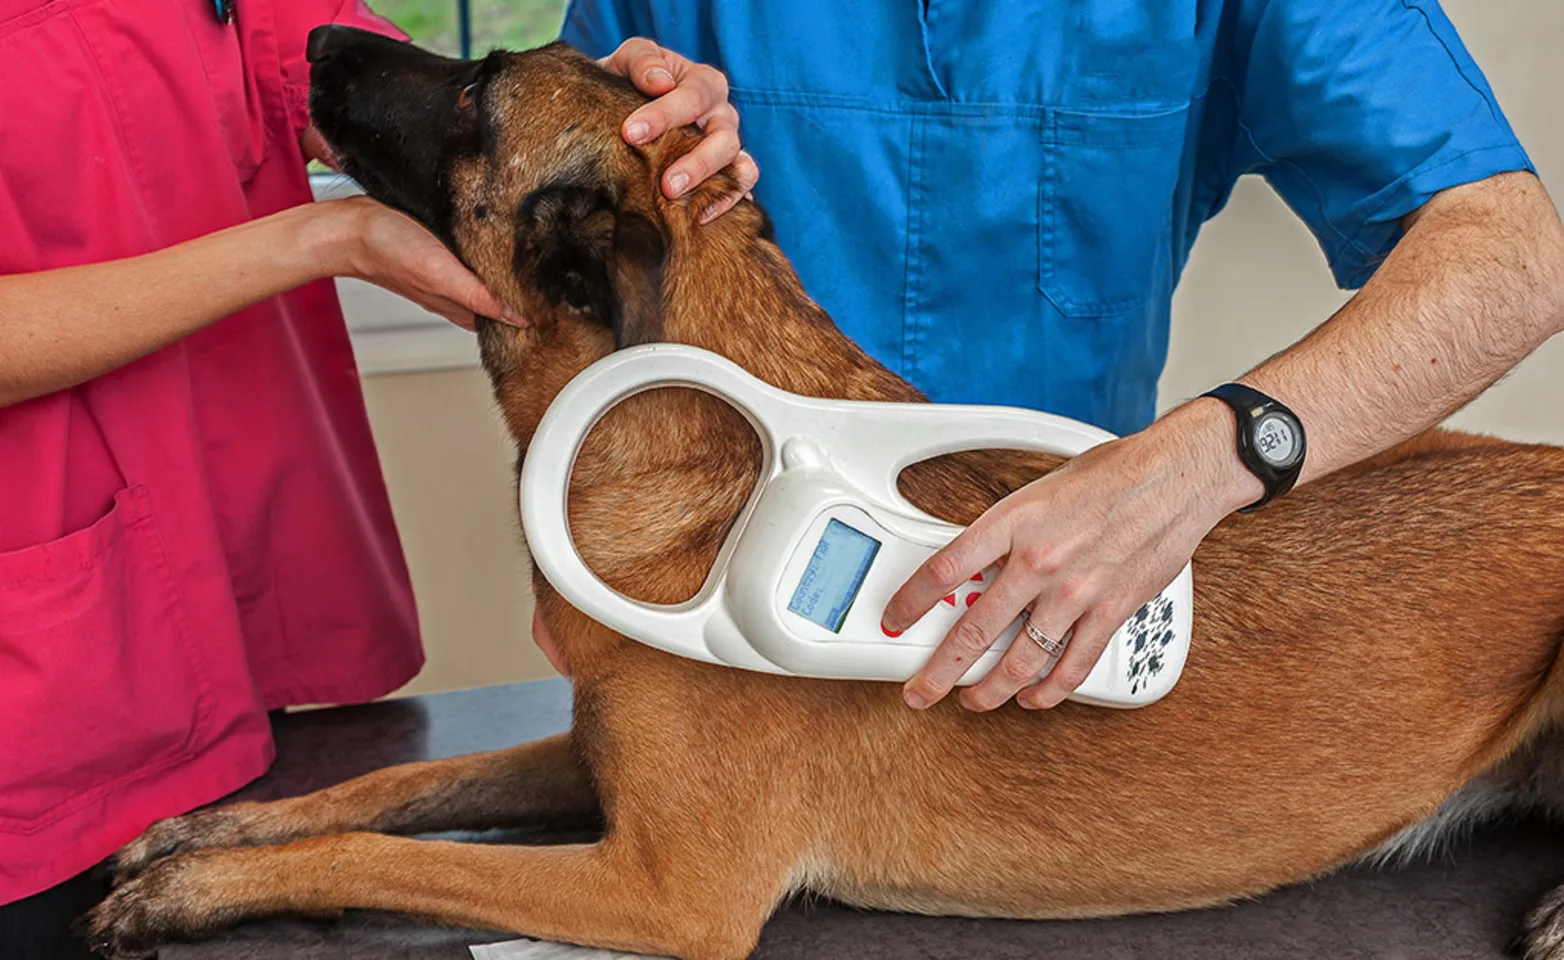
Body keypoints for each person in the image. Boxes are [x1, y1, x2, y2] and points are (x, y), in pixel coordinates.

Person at [556, 4, 1564, 713]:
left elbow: (1512, 261)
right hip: (720, 616)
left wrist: (1202, 466)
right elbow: (550, 260)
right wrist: (625, 127)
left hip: (1056, 639)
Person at [0, 3, 740, 956]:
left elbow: (293, 54)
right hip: (38, 704)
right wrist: (321, 239)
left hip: (205, 633)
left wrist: (588, 113)